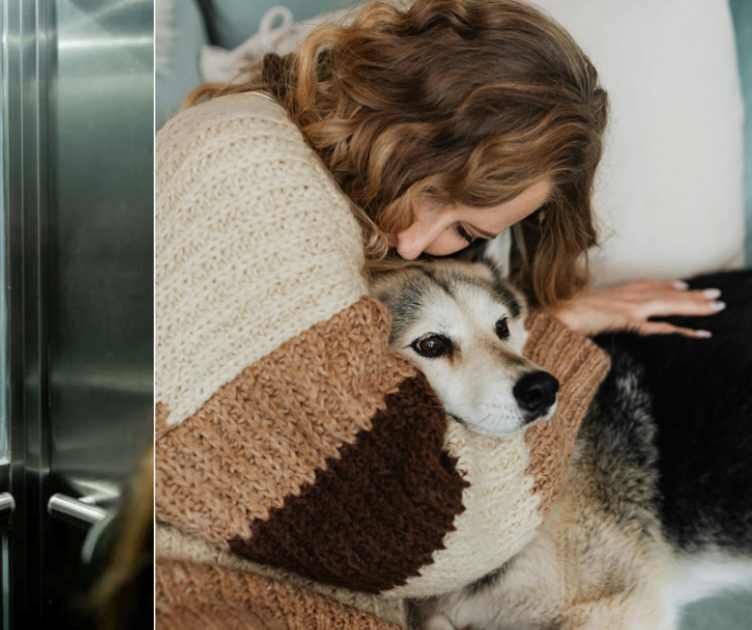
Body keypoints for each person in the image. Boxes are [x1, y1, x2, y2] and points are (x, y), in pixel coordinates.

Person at [154, 0, 723, 627]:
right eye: (438, 198)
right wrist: (556, 346)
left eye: (464, 233)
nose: (415, 245)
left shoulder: (304, 170)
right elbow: (426, 527)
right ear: (411, 126)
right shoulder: (250, 168)